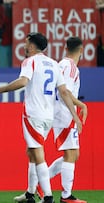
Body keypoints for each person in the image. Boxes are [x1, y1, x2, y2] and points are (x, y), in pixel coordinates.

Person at [0, 32, 82, 203]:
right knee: (31, 152)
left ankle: (48, 196)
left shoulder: (30, 61)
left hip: (33, 114)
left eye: (26, 43)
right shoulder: (53, 64)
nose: (24, 45)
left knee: (37, 153)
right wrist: (76, 116)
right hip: (48, 116)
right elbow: (64, 91)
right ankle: (29, 194)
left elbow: (23, 82)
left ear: (32, 46)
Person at [47, 37, 88, 203]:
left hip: (61, 112)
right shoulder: (70, 66)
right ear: (81, 50)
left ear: (65, 48)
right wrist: (81, 107)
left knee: (73, 154)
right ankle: (66, 196)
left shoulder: (61, 64)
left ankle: (40, 182)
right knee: (70, 153)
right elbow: (66, 93)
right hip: (64, 113)